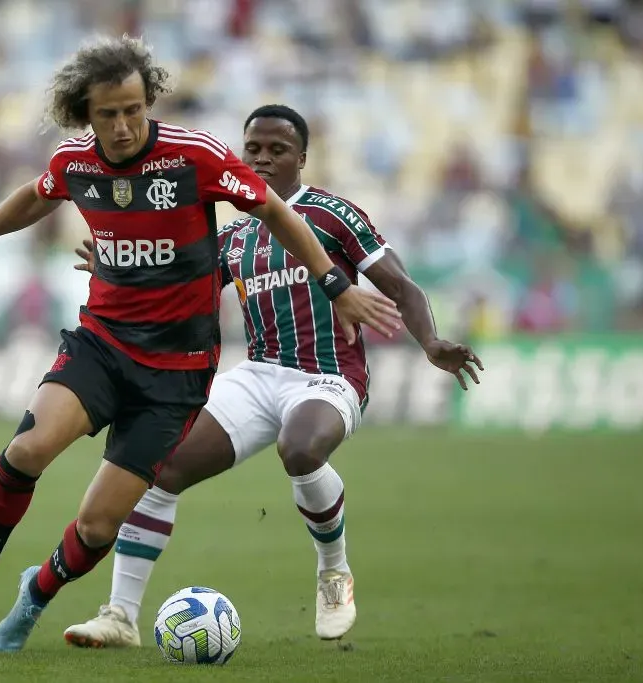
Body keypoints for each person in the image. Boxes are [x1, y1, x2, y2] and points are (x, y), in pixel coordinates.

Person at [0, 37, 402, 653]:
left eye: (134, 109)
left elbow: (274, 211)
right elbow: (36, 195)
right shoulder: (75, 161)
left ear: (149, 102)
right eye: (108, 113)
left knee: (96, 522)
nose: (122, 125)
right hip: (104, 344)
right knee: (29, 447)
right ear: (87, 113)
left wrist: (335, 284)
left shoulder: (196, 157)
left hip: (178, 372)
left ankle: (36, 595)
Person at [63, 104, 484, 647]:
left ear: (302, 158)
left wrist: (429, 341)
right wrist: (117, 266)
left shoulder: (333, 216)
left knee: (301, 449)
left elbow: (401, 285)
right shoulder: (233, 238)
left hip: (328, 377)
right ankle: (119, 616)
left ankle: (334, 573)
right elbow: (169, 292)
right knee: (160, 466)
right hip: (259, 374)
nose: (262, 159)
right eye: (253, 149)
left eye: (277, 150)